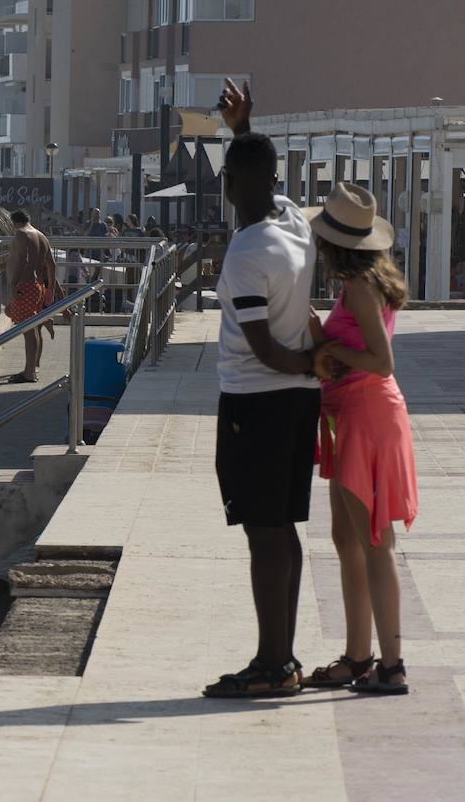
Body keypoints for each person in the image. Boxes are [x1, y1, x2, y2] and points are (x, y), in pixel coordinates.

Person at [203, 79, 330, 700]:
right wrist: (243, 129)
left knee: (263, 532)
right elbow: (259, 173)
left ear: (229, 188)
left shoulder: (247, 254)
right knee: (282, 527)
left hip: (257, 402)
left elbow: (267, 352)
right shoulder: (294, 226)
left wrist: (311, 365)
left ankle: (271, 665)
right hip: (294, 404)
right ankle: (284, 657)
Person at [299, 183, 417, 695]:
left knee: (373, 541)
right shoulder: (360, 282)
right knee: (347, 539)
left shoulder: (362, 288)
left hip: (368, 413)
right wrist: (321, 337)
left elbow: (382, 361)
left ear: (334, 245)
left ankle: (390, 664)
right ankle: (357, 656)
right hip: (353, 413)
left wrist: (329, 350)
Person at [0, 211, 56, 384]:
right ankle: (31, 368)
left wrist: (14, 285)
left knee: (28, 330)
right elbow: (51, 264)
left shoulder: (21, 234)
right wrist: (50, 291)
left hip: (25, 285)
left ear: (13, 222)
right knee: (21, 319)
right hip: (37, 287)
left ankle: (29, 373)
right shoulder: (41, 236)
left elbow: (23, 261)